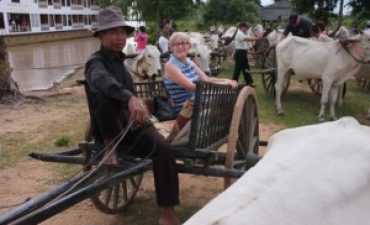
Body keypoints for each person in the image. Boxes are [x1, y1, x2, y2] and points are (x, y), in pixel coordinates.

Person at [84, 6, 180, 225]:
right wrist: (129, 97)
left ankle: (168, 212)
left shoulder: (122, 62)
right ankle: (111, 147)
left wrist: (139, 107)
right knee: (103, 93)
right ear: (101, 36)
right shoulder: (94, 63)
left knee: (164, 151)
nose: (119, 37)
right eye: (112, 32)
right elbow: (103, 82)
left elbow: (131, 94)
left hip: (133, 127)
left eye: (121, 32)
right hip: (110, 131)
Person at [164, 32, 237, 144]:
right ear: (171, 48)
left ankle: (216, 130)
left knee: (228, 98)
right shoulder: (170, 66)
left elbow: (206, 79)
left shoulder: (189, 62)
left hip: (200, 101)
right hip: (186, 108)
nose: (180, 46)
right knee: (221, 98)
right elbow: (192, 87)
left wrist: (226, 81)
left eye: (184, 43)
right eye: (176, 44)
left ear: (189, 46)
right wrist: (223, 85)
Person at [232, 22, 261, 87]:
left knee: (242, 68)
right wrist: (258, 38)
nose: (247, 29)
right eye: (246, 27)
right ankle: (238, 82)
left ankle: (247, 82)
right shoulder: (239, 33)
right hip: (240, 53)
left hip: (242, 53)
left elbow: (248, 38)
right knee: (241, 69)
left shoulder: (242, 33)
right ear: (242, 27)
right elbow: (248, 39)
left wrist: (256, 37)